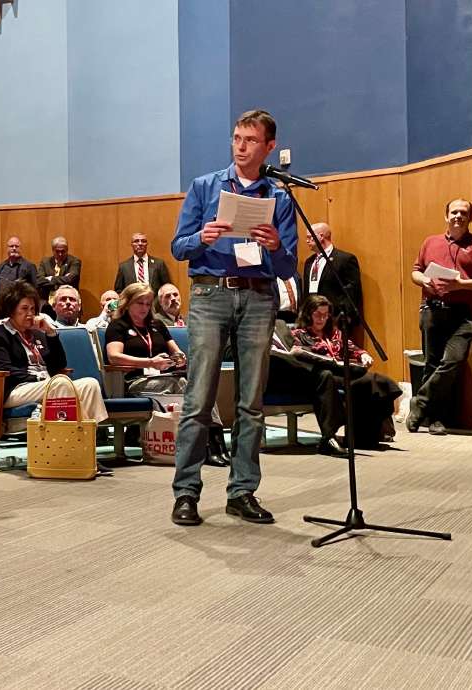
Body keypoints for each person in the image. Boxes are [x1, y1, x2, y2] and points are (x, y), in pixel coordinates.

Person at [167, 109, 298, 527]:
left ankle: (242, 492)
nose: (241, 147)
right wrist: (200, 237)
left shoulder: (278, 197)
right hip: (209, 294)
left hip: (258, 297)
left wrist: (276, 244)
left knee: (251, 403)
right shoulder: (205, 186)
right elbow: (177, 247)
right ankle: (186, 492)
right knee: (198, 397)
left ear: (269, 147)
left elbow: (288, 267)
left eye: (251, 140)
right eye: (236, 138)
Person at [104, 284, 230, 466]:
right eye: (140, 303)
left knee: (199, 386)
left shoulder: (156, 325)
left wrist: (179, 359)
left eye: (148, 304)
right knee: (185, 385)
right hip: (135, 381)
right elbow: (114, 357)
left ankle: (216, 441)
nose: (145, 308)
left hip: (165, 379)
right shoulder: (118, 326)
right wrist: (150, 362)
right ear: (128, 303)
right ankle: (211, 444)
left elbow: (176, 351)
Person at [407, 198, 472, 435]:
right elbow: (415, 271)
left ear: (470, 217)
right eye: (454, 212)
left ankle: (419, 402)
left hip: (462, 315)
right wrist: (424, 280)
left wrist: (461, 284)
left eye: (463, 213)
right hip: (431, 309)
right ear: (446, 216)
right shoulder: (430, 242)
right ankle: (435, 419)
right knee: (432, 363)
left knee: (453, 361)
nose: (458, 216)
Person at [282, 295, 400, 453]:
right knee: (368, 382)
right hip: (321, 375)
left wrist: (363, 354)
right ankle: (360, 435)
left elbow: (352, 348)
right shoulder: (298, 334)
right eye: (318, 314)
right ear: (309, 314)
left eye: (325, 315)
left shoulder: (334, 333)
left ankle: (366, 436)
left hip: (343, 372)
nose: (322, 319)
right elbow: (298, 355)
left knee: (376, 382)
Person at [0, 280, 107, 424]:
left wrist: (50, 333)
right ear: (11, 310)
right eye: (24, 308)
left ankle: (93, 431)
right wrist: (39, 378)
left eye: (32, 309)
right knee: (60, 383)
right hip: (16, 389)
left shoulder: (37, 333)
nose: (30, 313)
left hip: (47, 384)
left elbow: (60, 364)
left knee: (90, 384)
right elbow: (5, 369)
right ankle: (75, 434)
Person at [302, 223, 363, 322]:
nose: (307, 241)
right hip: (312, 319)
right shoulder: (309, 262)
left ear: (321, 236)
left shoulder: (344, 259)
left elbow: (352, 292)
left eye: (309, 237)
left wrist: (343, 317)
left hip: (335, 318)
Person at [36, 236, 81, 302]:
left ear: (67, 250)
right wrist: (63, 278)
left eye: (63, 251)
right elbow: (39, 280)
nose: (60, 254)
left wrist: (50, 278)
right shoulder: (45, 262)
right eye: (57, 251)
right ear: (53, 250)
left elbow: (70, 279)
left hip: (67, 301)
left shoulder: (74, 261)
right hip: (46, 302)